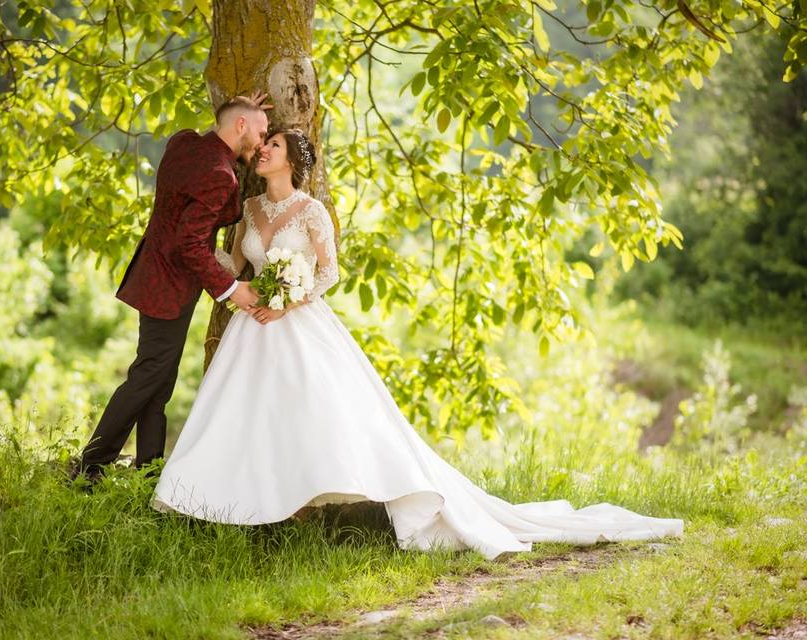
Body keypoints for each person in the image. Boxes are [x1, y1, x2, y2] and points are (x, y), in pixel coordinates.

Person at [150, 129, 683, 559]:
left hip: (298, 324)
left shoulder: (311, 211)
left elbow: (330, 272)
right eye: (263, 145)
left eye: (273, 147)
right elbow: (238, 267)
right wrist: (191, 251)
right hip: (251, 331)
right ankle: (240, 509)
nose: (262, 151)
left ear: (291, 162)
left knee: (316, 421)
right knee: (244, 419)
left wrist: (289, 298)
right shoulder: (248, 210)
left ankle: (304, 513)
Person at [71, 94, 271, 482]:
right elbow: (191, 244)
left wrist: (246, 106)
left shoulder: (183, 143)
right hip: (171, 286)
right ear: (241, 126)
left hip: (153, 271)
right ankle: (90, 468)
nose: (263, 143)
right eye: (261, 132)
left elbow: (203, 184)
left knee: (159, 381)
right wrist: (233, 290)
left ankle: (149, 472)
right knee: (148, 376)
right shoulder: (220, 174)